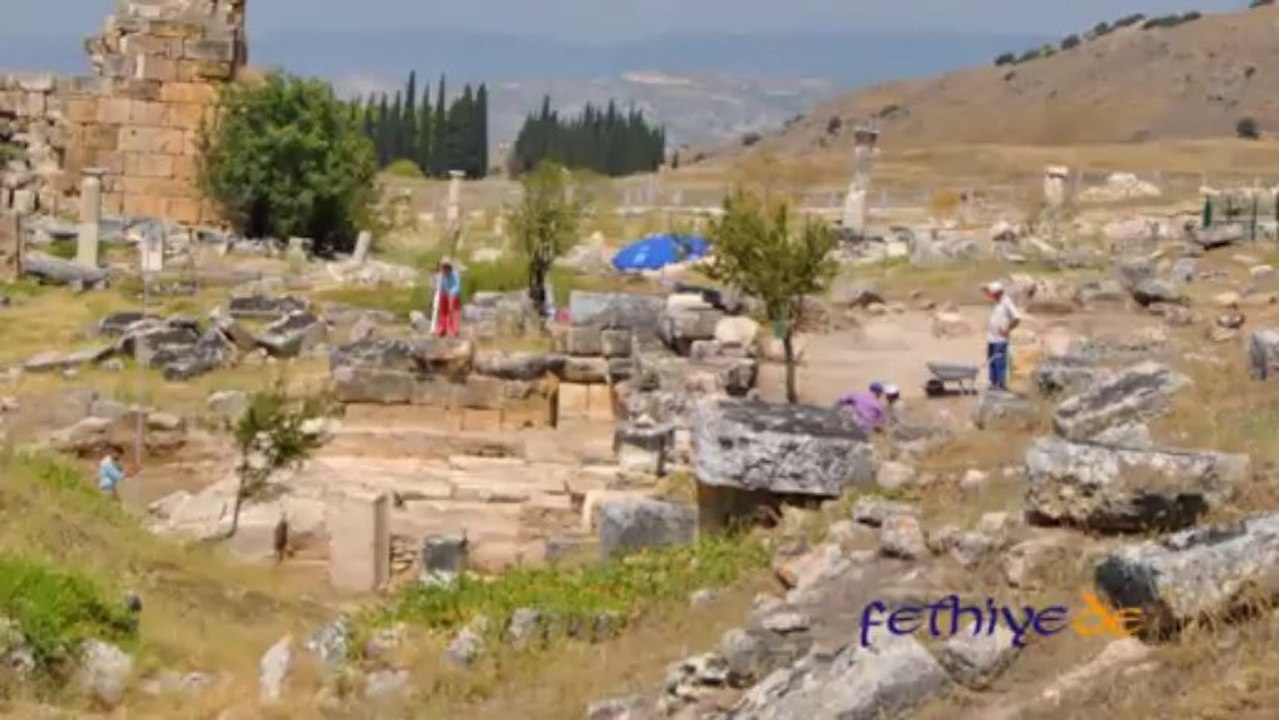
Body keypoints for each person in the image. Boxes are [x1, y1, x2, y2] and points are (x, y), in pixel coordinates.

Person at [984, 281, 1021, 390]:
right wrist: (986, 288)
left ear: (999, 293)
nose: (991, 296)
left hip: (1000, 339)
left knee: (999, 362)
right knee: (991, 361)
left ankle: (1000, 384)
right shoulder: (996, 300)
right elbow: (985, 288)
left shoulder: (1006, 302)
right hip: (991, 338)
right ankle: (993, 383)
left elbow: (1017, 318)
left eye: (993, 294)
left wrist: (1008, 329)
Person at [434, 260, 462, 338]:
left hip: (454, 295)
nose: (445, 270)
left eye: (447, 268)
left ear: (450, 268)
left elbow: (457, 286)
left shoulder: (455, 274)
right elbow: (438, 286)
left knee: (453, 311)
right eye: (443, 268)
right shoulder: (440, 275)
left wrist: (451, 294)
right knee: (443, 312)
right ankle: (443, 329)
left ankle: (455, 330)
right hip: (444, 294)